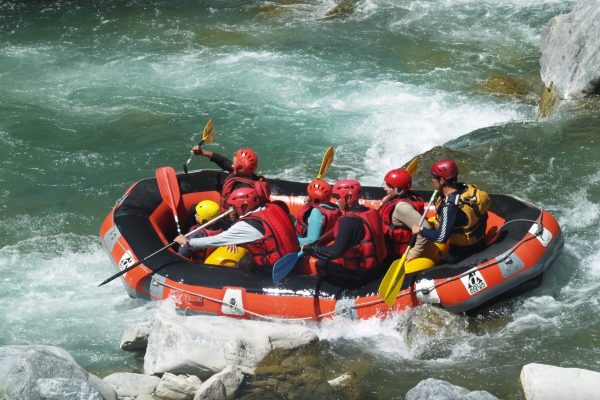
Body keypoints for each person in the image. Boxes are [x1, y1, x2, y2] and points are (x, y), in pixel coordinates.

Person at [174, 187, 299, 270]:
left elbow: (217, 240)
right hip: (293, 257)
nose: (231, 210)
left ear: (243, 207)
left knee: (243, 265)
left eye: (233, 207)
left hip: (276, 268)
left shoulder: (246, 225)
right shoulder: (272, 208)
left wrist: (188, 242)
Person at [302, 179, 386, 288]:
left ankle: (337, 293)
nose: (336, 202)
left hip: (360, 276)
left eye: (337, 198)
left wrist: (309, 249)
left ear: (348, 197)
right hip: (377, 267)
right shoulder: (371, 211)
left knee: (321, 264)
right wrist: (319, 241)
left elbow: (334, 252)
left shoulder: (348, 221)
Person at [412, 159, 491, 263]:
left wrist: (420, 229)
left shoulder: (449, 207)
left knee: (438, 266)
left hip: (464, 252)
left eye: (433, 177)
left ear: (442, 181)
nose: (432, 180)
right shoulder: (465, 189)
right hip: (480, 242)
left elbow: (441, 237)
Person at [192, 146, 270, 208]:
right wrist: (202, 152)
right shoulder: (244, 173)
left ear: (239, 168)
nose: (232, 165)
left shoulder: (242, 190)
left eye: (234, 163)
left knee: (194, 209)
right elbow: (223, 161)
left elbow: (235, 213)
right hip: (231, 210)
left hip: (231, 218)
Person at [295, 179, 341, 246]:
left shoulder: (317, 212)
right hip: (328, 243)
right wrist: (308, 203)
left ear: (315, 199)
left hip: (309, 249)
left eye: (309, 195)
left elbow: (312, 241)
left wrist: (291, 240)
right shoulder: (334, 207)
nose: (307, 196)